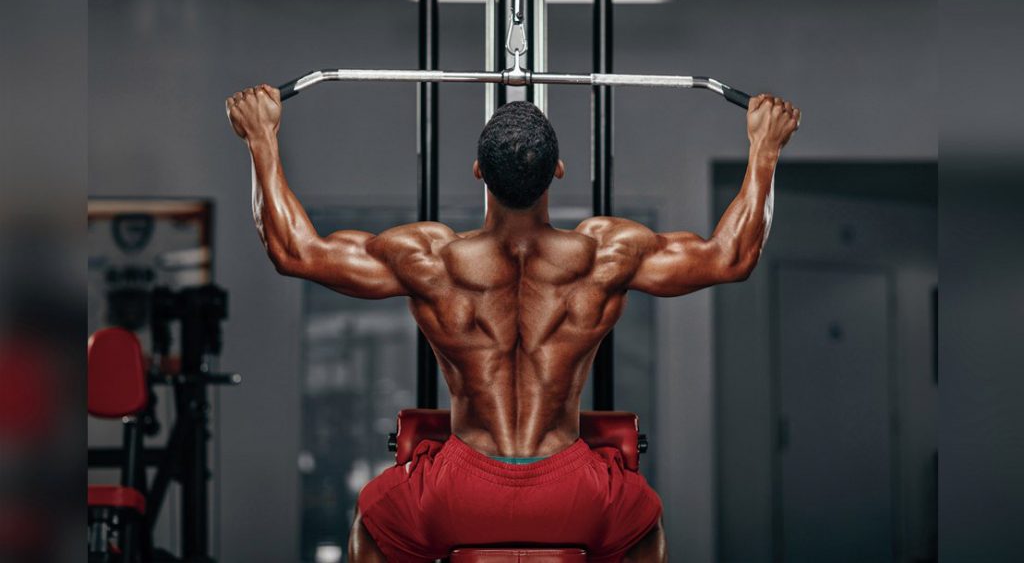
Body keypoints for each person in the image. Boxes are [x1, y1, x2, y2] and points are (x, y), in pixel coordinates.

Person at [227, 85, 799, 562]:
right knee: (643, 524)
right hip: (571, 486)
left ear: (479, 171)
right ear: (557, 171)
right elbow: (731, 256)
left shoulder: (430, 258)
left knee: (372, 527)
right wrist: (764, 148)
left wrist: (261, 140)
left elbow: (294, 251)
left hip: (460, 487)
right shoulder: (607, 253)